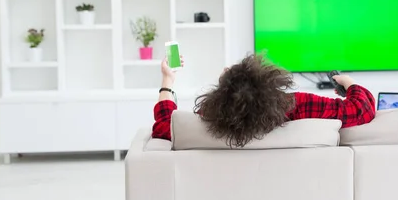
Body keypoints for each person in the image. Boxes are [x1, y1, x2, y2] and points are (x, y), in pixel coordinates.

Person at [152, 54, 376, 147]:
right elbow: (361, 110)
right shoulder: (296, 106)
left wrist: (167, 80)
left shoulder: (208, 119)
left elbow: (164, 126)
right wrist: (348, 83)